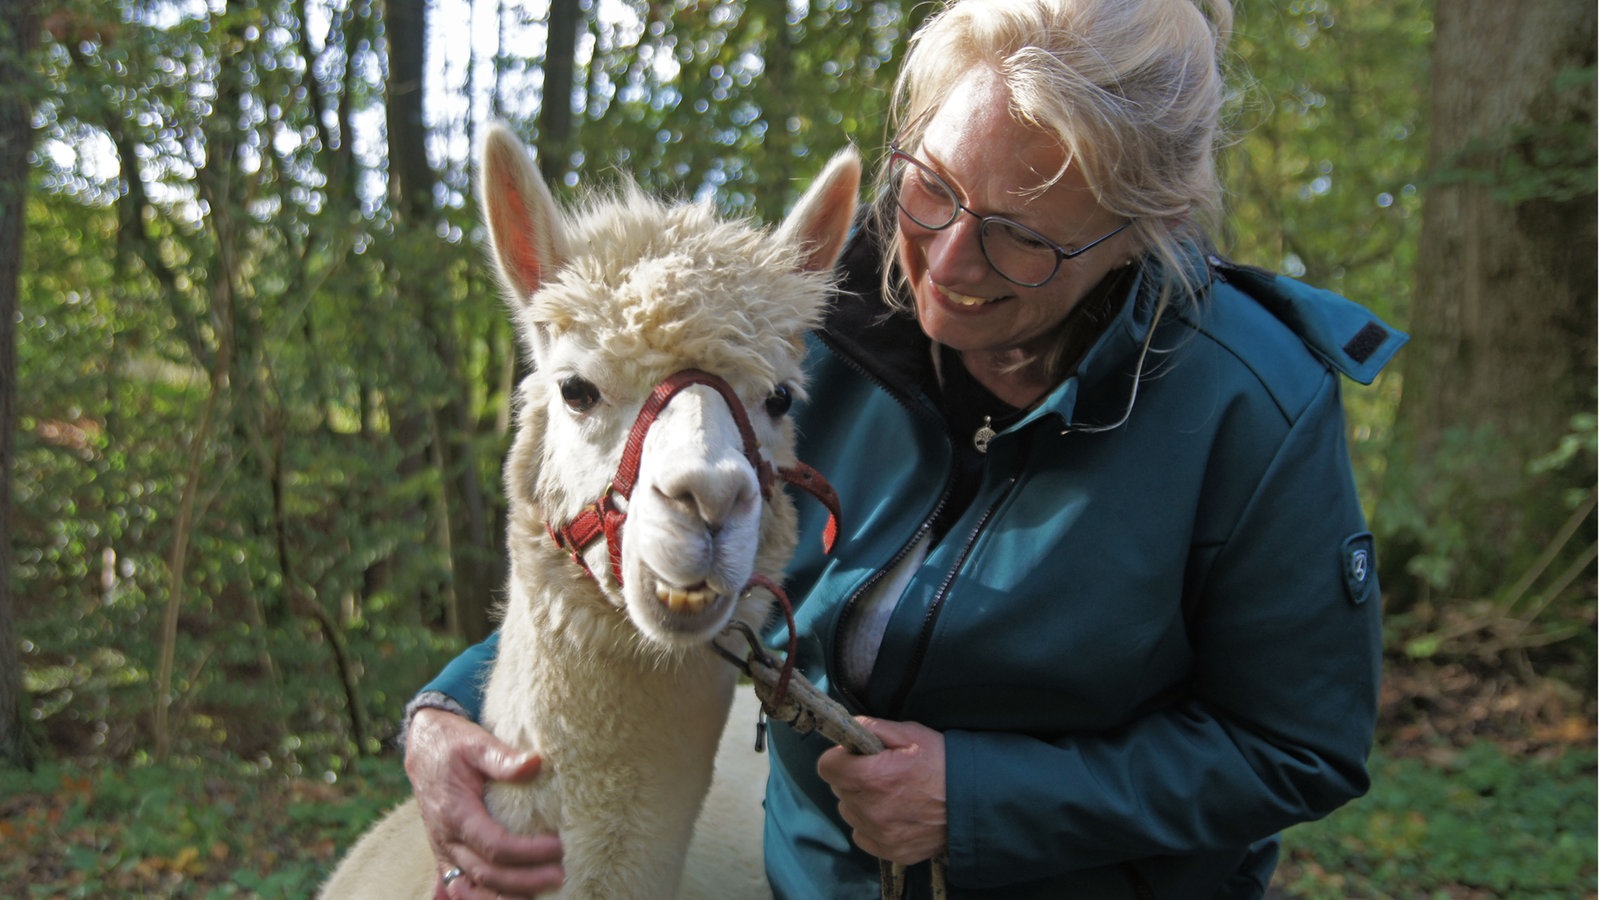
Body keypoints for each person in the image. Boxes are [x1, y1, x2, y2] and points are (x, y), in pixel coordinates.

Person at [402, 0, 1407, 896]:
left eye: (1025, 237)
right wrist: (447, 708)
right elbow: (633, 537)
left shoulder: (1250, 408)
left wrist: (981, 800)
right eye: (931, 186)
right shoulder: (802, 320)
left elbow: (1296, 746)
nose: (948, 262)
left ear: (1144, 226)